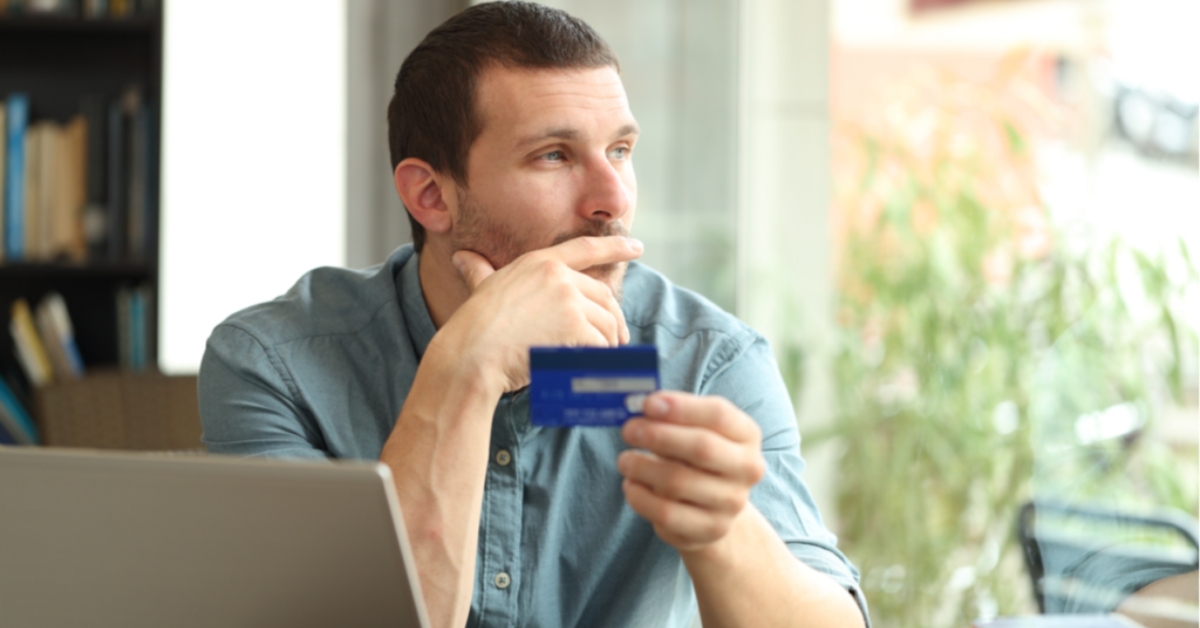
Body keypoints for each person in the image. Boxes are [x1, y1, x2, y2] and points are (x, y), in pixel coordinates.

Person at [198, 2, 868, 627]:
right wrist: (467, 365)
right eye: (554, 155)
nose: (612, 199)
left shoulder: (706, 361)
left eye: (621, 151)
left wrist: (724, 531)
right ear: (432, 195)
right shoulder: (275, 364)